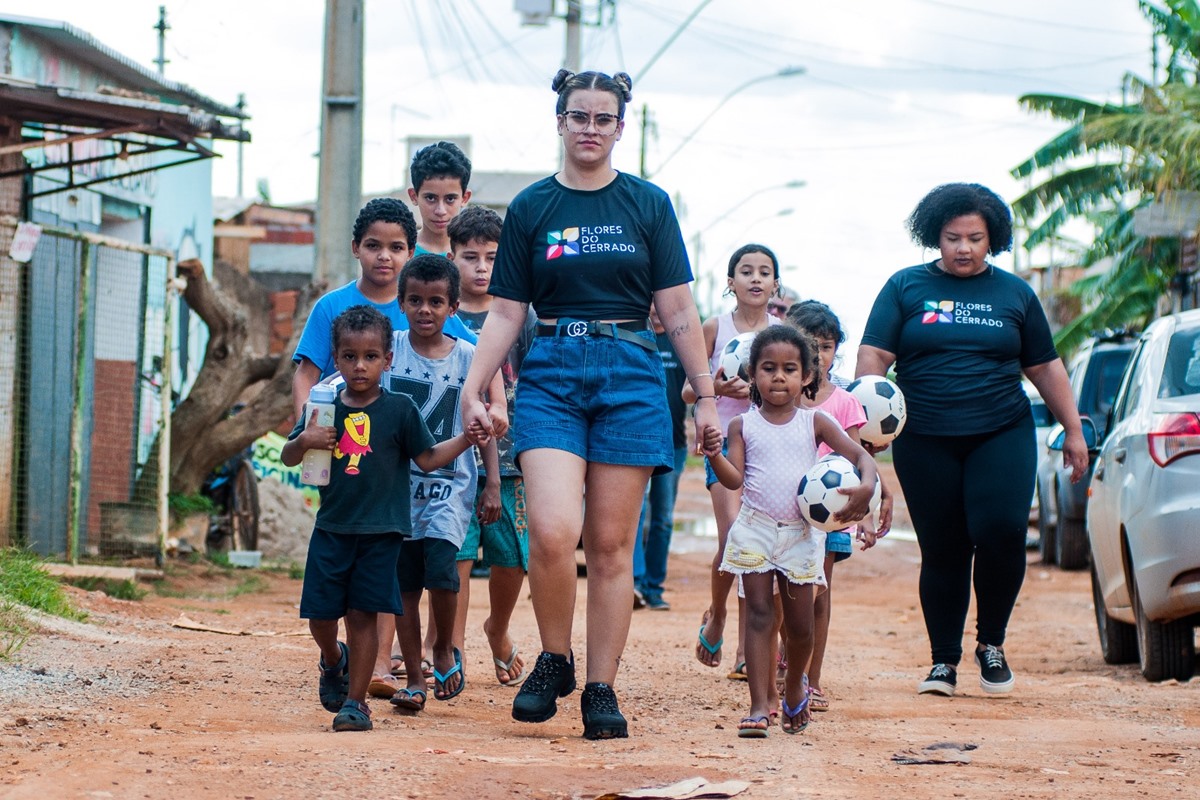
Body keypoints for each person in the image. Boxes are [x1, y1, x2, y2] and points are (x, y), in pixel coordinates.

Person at [459, 68, 719, 740]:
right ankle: (555, 657)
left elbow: (679, 309)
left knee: (610, 544)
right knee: (549, 531)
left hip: (632, 371)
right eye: (580, 117)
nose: (591, 129)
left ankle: (601, 686)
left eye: (604, 119)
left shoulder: (648, 205)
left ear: (620, 128)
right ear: (560, 122)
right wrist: (472, 384)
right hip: (552, 372)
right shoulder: (533, 208)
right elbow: (509, 310)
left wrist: (706, 396)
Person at [856, 182, 1088, 697]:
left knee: (1003, 531)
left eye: (975, 238)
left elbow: (1045, 366)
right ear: (934, 237)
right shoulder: (905, 287)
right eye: (952, 237)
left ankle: (992, 644)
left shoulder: (1015, 294)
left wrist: (1073, 428)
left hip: (1001, 431)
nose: (963, 248)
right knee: (944, 547)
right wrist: (866, 425)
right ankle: (943, 661)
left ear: (993, 239)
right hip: (925, 436)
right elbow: (873, 358)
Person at [280, 305, 477, 731]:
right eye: (349, 356)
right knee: (320, 617)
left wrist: (465, 438)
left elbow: (427, 459)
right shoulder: (324, 405)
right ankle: (334, 658)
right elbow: (289, 454)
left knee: (363, 613)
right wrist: (306, 439)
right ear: (336, 358)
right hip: (333, 527)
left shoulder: (401, 409)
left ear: (388, 360)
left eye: (371, 356)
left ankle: (356, 702)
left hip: (383, 531)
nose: (360, 366)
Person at [705, 325, 876, 737]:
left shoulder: (816, 422)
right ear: (752, 374)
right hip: (755, 529)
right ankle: (759, 705)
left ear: (807, 377)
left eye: (789, 369)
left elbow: (860, 456)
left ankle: (796, 682)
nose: (778, 377)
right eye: (768, 368)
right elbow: (734, 480)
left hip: (801, 534)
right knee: (760, 615)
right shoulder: (741, 427)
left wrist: (868, 484)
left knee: (800, 628)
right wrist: (714, 455)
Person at [379, 254, 502, 710]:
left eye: (435, 301)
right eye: (415, 300)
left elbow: (483, 422)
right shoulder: (388, 351)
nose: (424, 310)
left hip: (451, 486)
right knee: (405, 585)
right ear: (402, 302)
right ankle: (414, 676)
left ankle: (445, 646)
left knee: (442, 570)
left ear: (453, 307)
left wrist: (491, 483)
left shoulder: (470, 358)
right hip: (396, 490)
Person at [786, 299, 892, 712]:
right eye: (810, 344)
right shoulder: (781, 397)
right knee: (785, 593)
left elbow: (857, 457)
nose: (818, 353)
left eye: (827, 346)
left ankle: (811, 677)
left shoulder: (846, 402)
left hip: (832, 515)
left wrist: (870, 507)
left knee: (818, 591)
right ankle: (785, 658)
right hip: (786, 510)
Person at [449, 206, 538, 686]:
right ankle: (451, 646)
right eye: (470, 257)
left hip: (513, 458)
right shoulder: (439, 311)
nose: (481, 267)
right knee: (456, 556)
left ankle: (498, 628)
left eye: (491, 257)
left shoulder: (520, 315)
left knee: (511, 558)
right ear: (452, 257)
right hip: (454, 458)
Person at [685, 243, 781, 679]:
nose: (756, 278)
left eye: (764, 272)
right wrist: (718, 391)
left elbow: (797, 387)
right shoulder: (714, 327)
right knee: (734, 541)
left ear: (775, 284)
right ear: (730, 282)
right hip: (722, 446)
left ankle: (747, 647)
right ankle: (719, 614)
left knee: (758, 548)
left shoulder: (782, 331)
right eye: (746, 271)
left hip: (770, 448)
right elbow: (688, 391)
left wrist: (762, 391)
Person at [291, 198, 476, 422]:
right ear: (355, 248)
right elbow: (305, 376)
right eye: (373, 245)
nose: (384, 256)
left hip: (409, 443)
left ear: (410, 252)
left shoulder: (427, 310)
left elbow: (477, 355)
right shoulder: (330, 306)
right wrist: (308, 428)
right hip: (342, 438)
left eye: (396, 247)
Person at [632, 302, 688, 611]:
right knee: (634, 515)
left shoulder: (681, 343)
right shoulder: (636, 335)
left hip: (674, 444)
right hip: (636, 441)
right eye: (649, 300)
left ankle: (654, 587)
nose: (655, 308)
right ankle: (633, 584)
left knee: (663, 519)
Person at [408, 140, 472, 257]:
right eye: (431, 198)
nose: (440, 211)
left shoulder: (475, 256)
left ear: (464, 198)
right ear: (414, 196)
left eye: (450, 199)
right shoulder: (401, 253)